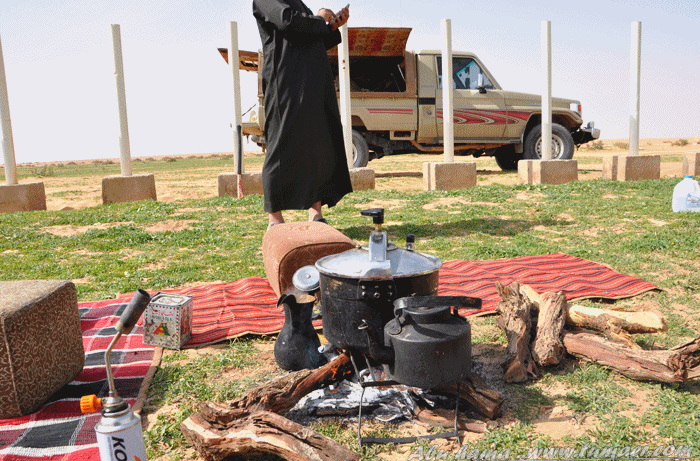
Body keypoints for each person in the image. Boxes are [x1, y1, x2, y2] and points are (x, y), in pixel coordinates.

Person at [252, 0, 353, 229]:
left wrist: (331, 27)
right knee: (280, 146)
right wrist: (320, 18)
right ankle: (275, 219)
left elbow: (311, 38)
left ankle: (315, 213)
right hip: (285, 83)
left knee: (315, 145)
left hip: (311, 83)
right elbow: (288, 22)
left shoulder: (299, 4)